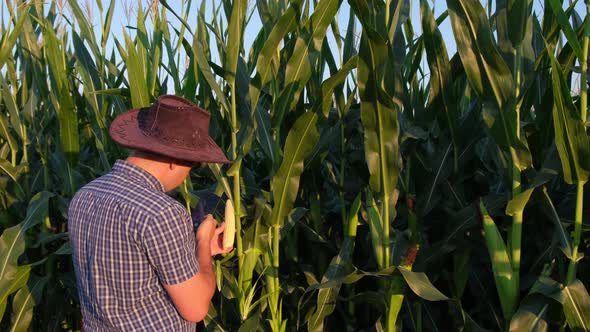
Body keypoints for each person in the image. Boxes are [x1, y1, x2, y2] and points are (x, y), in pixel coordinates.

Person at [68, 95, 233, 331]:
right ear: (175, 160)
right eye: (194, 164)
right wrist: (203, 238)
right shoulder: (162, 212)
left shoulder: (84, 196)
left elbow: (135, 266)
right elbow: (196, 308)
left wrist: (203, 250)